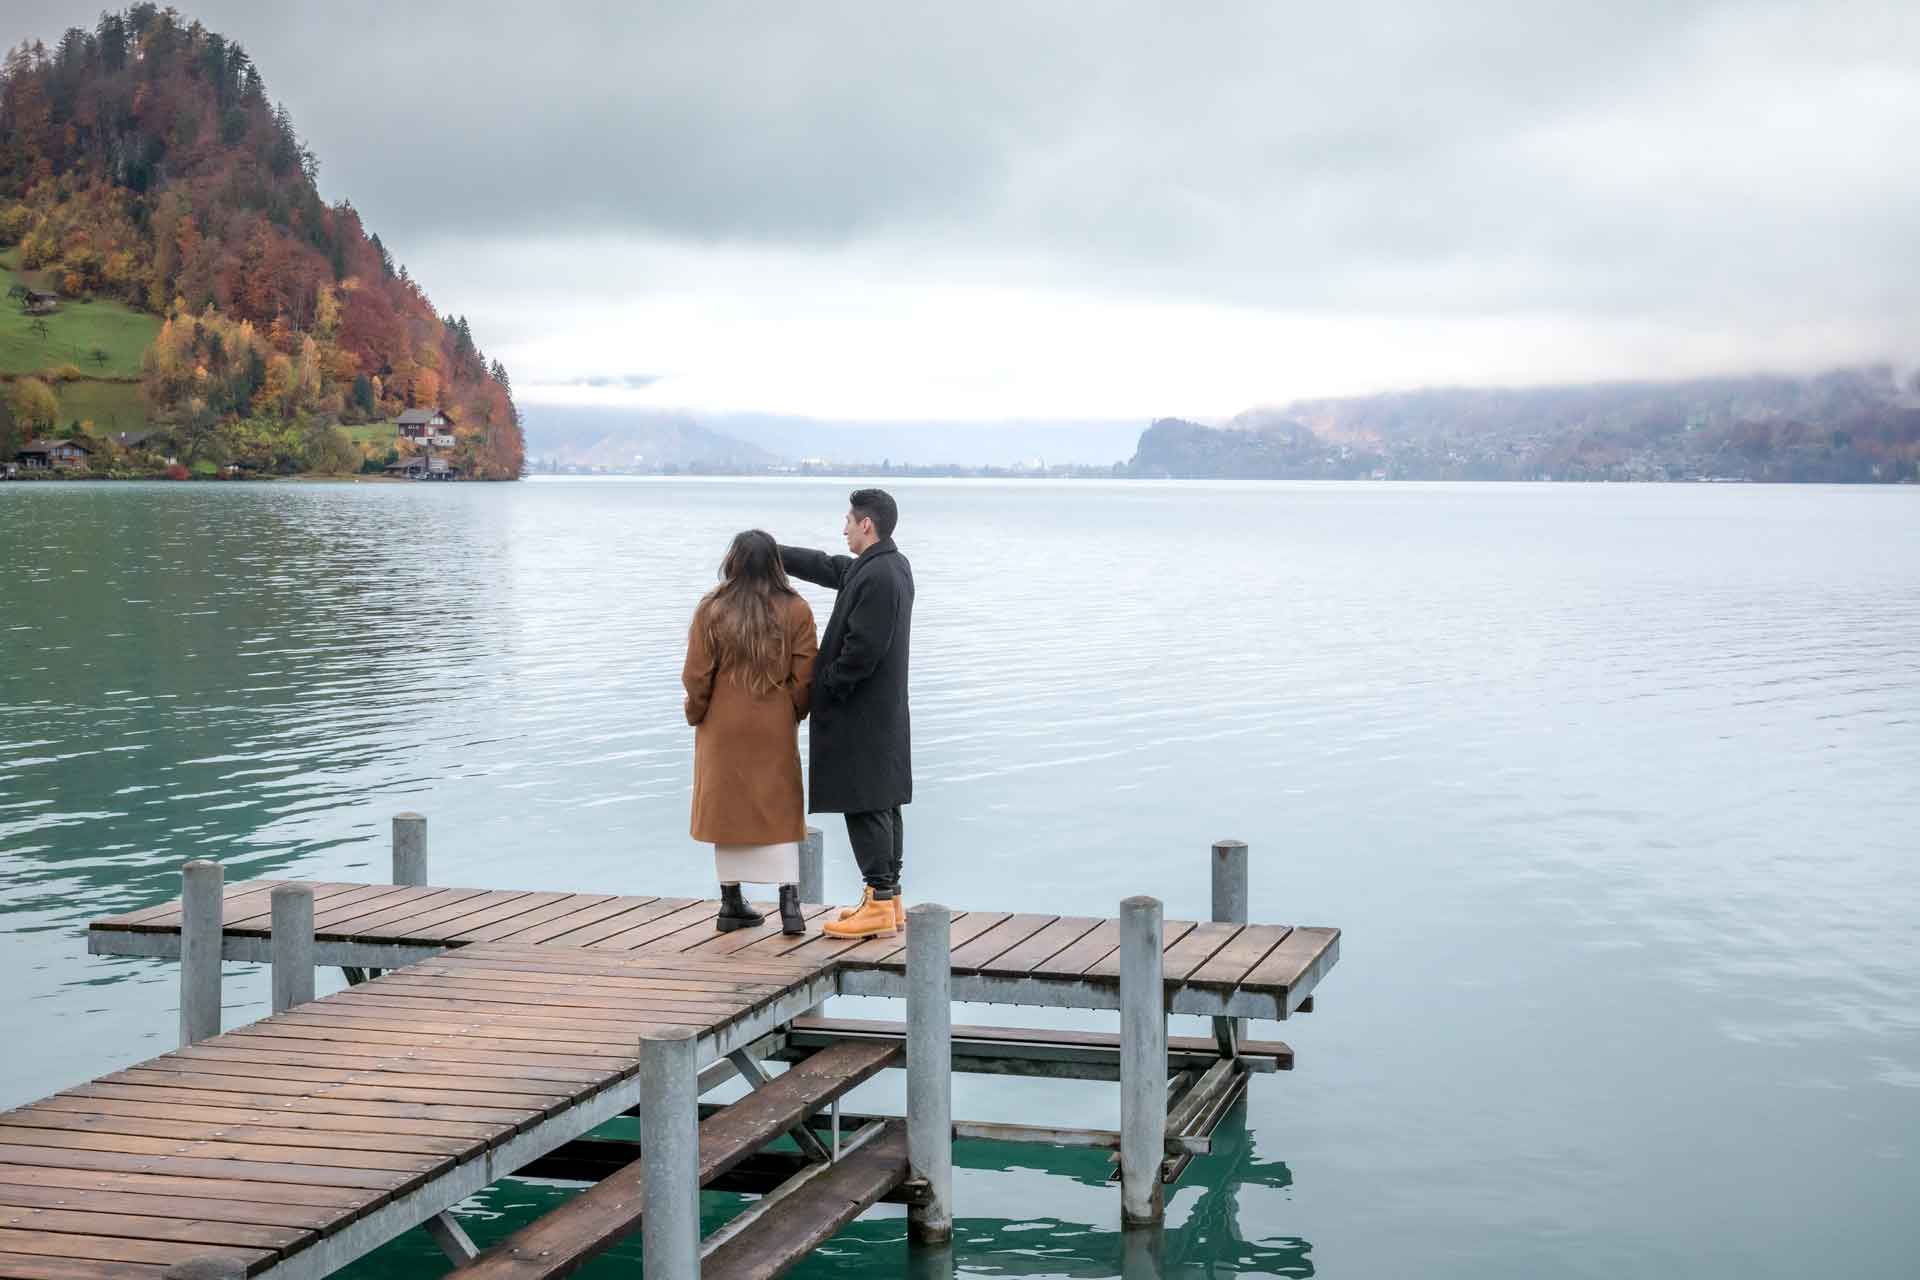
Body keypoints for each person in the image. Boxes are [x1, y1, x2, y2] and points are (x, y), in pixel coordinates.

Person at [778, 489, 915, 940]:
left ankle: (878, 903)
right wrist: (775, 554)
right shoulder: (883, 566)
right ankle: (888, 899)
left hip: (863, 714)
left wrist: (824, 685)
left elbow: (863, 652)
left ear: (867, 525)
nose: (844, 530)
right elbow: (830, 566)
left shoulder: (879, 576)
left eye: (849, 522)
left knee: (866, 804)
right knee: (882, 802)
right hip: (879, 713)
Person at [682, 529, 818, 935]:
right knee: (779, 806)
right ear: (776, 564)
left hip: (721, 725)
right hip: (773, 722)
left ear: (733, 561)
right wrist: (792, 711)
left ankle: (730, 903)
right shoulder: (797, 609)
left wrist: (697, 713)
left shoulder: (712, 608)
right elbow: (806, 675)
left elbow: (696, 675)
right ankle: (790, 906)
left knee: (727, 807)